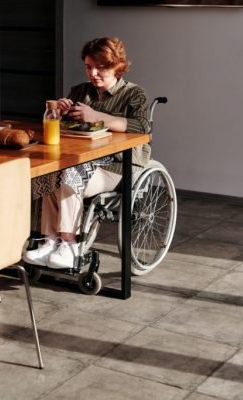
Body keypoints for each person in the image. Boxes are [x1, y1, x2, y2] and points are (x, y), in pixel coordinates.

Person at [23, 37, 151, 269]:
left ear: (117, 66)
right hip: (82, 159)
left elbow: (142, 127)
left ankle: (70, 244)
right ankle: (51, 241)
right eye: (88, 66)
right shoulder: (81, 91)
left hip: (118, 165)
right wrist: (60, 113)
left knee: (68, 176)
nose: (93, 73)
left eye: (100, 67)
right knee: (49, 174)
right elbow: (68, 130)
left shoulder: (134, 94)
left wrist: (97, 117)